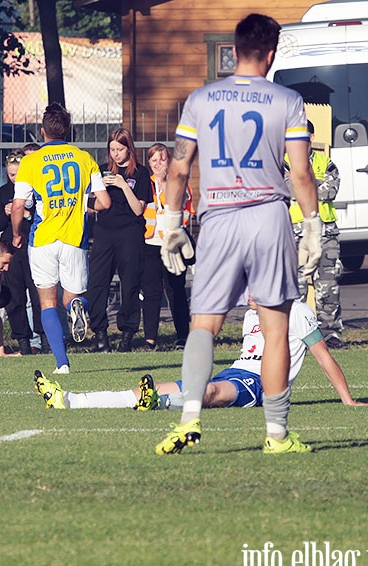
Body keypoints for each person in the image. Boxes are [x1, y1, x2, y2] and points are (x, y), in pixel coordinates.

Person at [154, 14, 322, 455]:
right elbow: (301, 173)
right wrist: (312, 225)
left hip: (219, 217)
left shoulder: (201, 98)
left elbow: (178, 167)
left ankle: (189, 417)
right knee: (276, 328)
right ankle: (277, 435)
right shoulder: (287, 100)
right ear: (270, 53)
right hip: (268, 216)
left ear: (234, 47)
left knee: (203, 325)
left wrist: (170, 223)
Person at [36, 298, 368, 410]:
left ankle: (160, 404)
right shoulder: (252, 315)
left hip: (263, 384)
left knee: (209, 393)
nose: (247, 295)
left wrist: (347, 400)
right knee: (166, 385)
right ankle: (72, 400)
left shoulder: (296, 311)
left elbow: (323, 356)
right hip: (236, 372)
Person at [11, 103, 109, 375]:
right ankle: (78, 306)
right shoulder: (83, 158)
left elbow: (19, 206)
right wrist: (81, 204)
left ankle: (62, 363)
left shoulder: (30, 161)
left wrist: (17, 234)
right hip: (74, 238)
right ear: (68, 130)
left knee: (46, 302)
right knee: (72, 297)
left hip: (42, 238)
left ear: (42, 131)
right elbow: (104, 201)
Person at [85, 127, 151, 353]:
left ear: (129, 149)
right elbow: (92, 203)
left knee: (130, 284)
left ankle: (127, 336)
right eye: (112, 149)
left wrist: (123, 185)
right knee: (97, 283)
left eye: (120, 149)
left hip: (130, 234)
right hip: (104, 232)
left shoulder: (140, 174)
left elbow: (138, 210)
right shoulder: (101, 172)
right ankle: (100, 335)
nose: (116, 154)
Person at [285, 121, 345, 349]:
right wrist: (311, 185)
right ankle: (298, 337)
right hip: (295, 232)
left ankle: (330, 335)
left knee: (328, 286)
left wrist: (301, 183)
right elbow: (287, 188)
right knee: (296, 287)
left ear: (311, 137)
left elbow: (331, 190)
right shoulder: (282, 162)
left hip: (325, 231)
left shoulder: (324, 162)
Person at [140, 143, 192, 351]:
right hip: (150, 242)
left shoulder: (178, 182)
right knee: (151, 292)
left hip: (172, 244)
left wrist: (166, 181)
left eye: (162, 159)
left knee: (176, 290)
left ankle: (182, 337)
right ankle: (150, 339)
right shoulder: (147, 183)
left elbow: (183, 204)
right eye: (154, 160)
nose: (158, 164)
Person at [0, 147, 45, 355]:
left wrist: (26, 214)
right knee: (15, 297)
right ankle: (23, 340)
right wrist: (7, 213)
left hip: (33, 246)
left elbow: (42, 216)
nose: (15, 178)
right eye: (11, 174)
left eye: (18, 174)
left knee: (38, 294)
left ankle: (44, 338)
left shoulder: (35, 190)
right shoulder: (5, 192)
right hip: (11, 250)